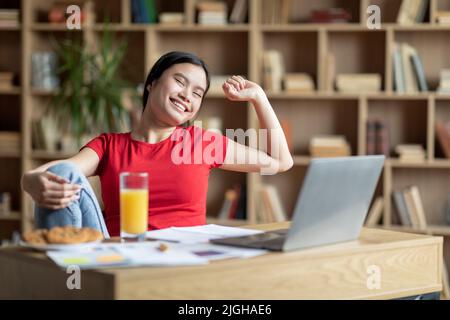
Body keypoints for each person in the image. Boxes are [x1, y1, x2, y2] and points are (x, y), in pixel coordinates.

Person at [21, 51, 293, 238]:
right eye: (180, 81)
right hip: (116, 256)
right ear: (152, 83)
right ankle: (64, 281)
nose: (187, 95)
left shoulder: (202, 143)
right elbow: (61, 173)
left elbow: (281, 162)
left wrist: (259, 97)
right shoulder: (110, 146)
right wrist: (30, 179)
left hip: (182, 260)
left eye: (197, 93)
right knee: (63, 175)